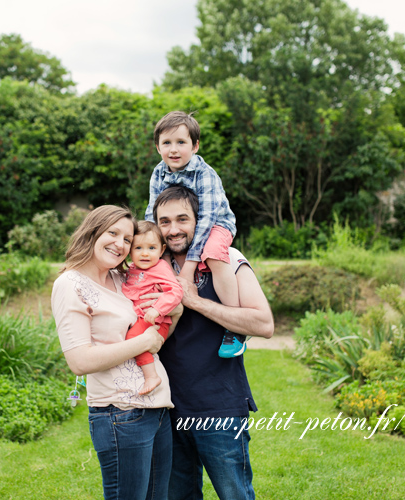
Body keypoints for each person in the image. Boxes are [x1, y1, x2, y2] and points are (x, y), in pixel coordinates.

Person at [50, 205, 181, 500]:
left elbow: (156, 334)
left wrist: (177, 311)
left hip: (158, 406)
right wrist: (144, 342)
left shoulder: (124, 279)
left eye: (127, 239)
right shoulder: (70, 284)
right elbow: (79, 361)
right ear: (92, 232)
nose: (120, 245)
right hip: (120, 412)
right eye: (113, 233)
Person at [153, 186, 275, 500]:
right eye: (164, 221)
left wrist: (196, 302)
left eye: (183, 219)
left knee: (234, 494)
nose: (174, 229)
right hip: (166, 409)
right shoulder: (153, 267)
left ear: (200, 221)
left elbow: (264, 323)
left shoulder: (226, 259)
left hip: (219, 406)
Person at [144, 110, 246, 358]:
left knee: (213, 254)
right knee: (156, 256)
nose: (174, 149)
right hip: (180, 227)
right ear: (158, 147)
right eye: (166, 143)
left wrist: (190, 266)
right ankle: (154, 315)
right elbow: (152, 211)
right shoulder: (159, 173)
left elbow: (208, 218)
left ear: (195, 145)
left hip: (216, 223)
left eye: (181, 142)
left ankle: (234, 326)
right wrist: (149, 242)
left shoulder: (205, 173)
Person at [122, 220, 184, 396]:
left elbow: (175, 291)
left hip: (157, 320)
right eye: (138, 248)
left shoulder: (160, 268)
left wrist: (157, 308)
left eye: (151, 248)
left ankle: (151, 376)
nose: (145, 254)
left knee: (133, 338)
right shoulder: (132, 269)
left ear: (162, 250)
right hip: (143, 318)